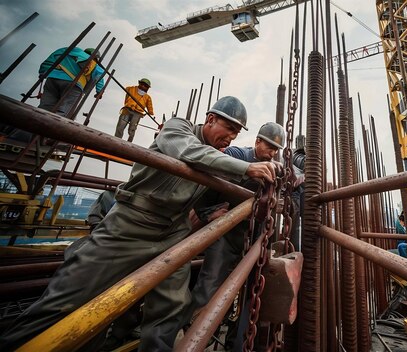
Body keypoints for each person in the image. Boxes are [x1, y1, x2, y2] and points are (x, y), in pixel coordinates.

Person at [0, 96, 279, 351]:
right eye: (227, 128)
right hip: (131, 225)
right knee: (65, 302)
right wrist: (246, 168)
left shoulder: (218, 156)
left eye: (236, 132)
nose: (230, 137)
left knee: (171, 308)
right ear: (210, 119)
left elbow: (209, 192)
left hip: (173, 232)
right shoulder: (178, 129)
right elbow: (189, 152)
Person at [182, 122, 286, 350]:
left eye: (276, 150)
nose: (273, 153)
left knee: (251, 295)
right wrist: (249, 169)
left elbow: (290, 175)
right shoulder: (238, 154)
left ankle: (235, 344)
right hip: (227, 235)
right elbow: (219, 162)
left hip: (255, 239)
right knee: (209, 285)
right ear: (257, 141)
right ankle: (195, 336)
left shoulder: (274, 164)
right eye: (270, 147)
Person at [38, 47, 104, 117]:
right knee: (64, 111)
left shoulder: (71, 52)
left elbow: (51, 59)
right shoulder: (92, 62)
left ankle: (37, 119)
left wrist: (43, 73)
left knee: (45, 106)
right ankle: (52, 124)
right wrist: (99, 92)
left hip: (52, 79)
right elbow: (100, 76)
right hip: (73, 85)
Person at [115, 78, 154, 142]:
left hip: (137, 114)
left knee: (132, 129)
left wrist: (150, 112)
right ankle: (116, 140)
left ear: (148, 88)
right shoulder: (131, 89)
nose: (143, 86)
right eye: (142, 84)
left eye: (145, 86)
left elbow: (150, 107)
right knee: (121, 126)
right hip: (127, 110)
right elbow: (126, 92)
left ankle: (129, 143)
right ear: (139, 83)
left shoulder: (147, 97)